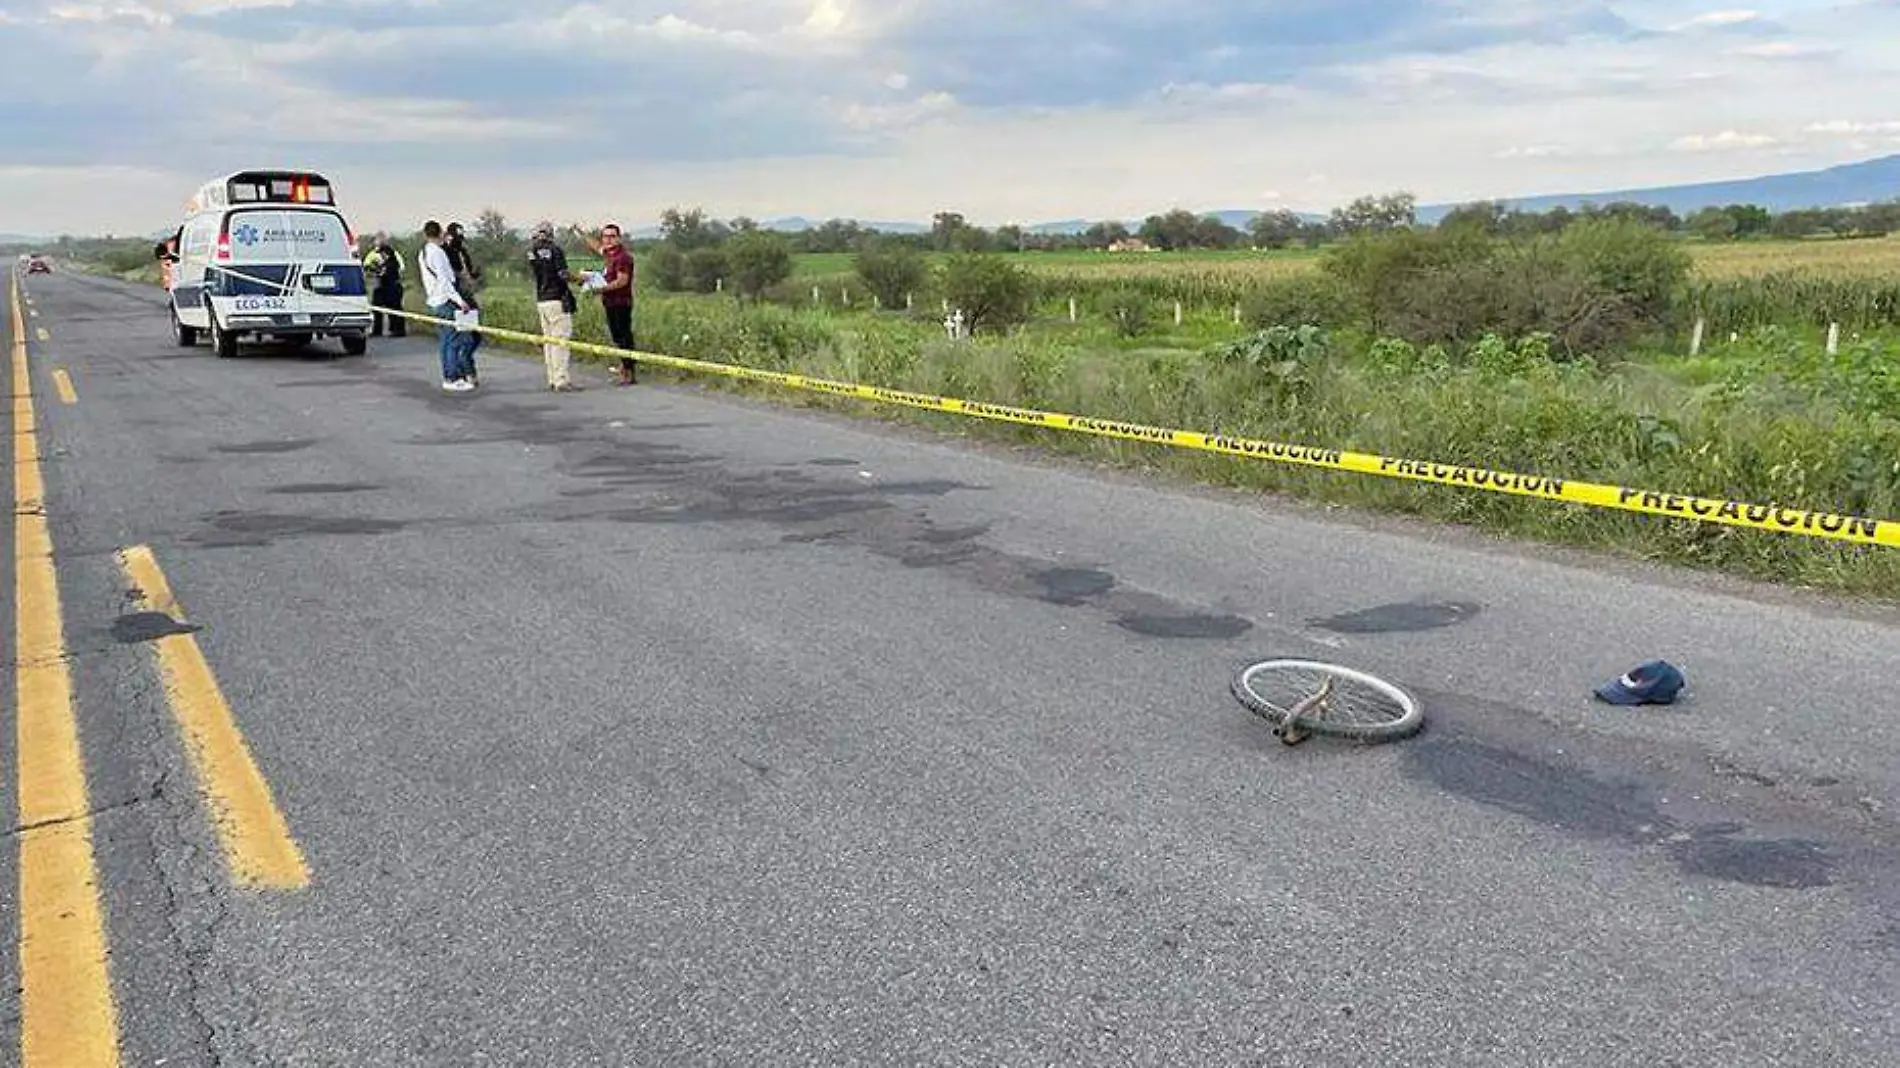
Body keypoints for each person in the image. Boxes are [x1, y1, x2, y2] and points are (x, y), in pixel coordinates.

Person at [417, 220, 475, 392]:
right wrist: (460, 301)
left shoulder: (424, 252)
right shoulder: (438, 253)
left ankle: (448, 375)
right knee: (453, 340)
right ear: (440, 233)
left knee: (444, 340)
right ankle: (452, 377)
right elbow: (445, 281)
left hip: (434, 298)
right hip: (445, 299)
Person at [526, 221, 581, 391]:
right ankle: (561, 380)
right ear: (551, 234)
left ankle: (552, 377)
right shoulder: (556, 250)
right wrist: (579, 279)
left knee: (549, 341)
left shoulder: (531, 251)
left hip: (542, 299)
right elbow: (562, 273)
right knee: (561, 340)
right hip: (557, 298)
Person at [594, 221, 638, 385]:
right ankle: (624, 366)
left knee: (624, 336)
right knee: (617, 336)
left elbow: (622, 281)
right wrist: (580, 232)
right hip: (609, 302)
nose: (608, 240)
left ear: (619, 238)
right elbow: (595, 246)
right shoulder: (609, 255)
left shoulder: (622, 257)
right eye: (605, 236)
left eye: (612, 236)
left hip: (621, 302)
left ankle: (629, 372)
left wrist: (602, 288)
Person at [443, 222, 484, 386]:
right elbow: (450, 275)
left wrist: (473, 275)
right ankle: (466, 371)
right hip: (459, 297)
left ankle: (465, 368)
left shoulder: (462, 251)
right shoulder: (446, 252)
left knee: (475, 336)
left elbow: (468, 271)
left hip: (468, 294)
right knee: (465, 336)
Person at [366, 232, 406, 338]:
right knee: (377, 308)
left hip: (392, 287)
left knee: (394, 309)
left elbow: (387, 272)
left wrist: (377, 270)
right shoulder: (377, 257)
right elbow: (369, 268)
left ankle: (398, 330)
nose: (380, 255)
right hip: (382, 286)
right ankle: (377, 330)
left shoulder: (392, 261)